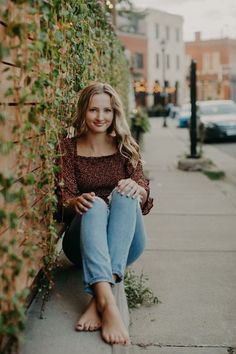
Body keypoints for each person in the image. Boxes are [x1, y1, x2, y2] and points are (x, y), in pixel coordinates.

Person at [55, 82, 153, 346]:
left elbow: (144, 193)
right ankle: (108, 304)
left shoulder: (126, 147)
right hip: (81, 245)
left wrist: (137, 189)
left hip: (127, 244)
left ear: (115, 113)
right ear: (83, 112)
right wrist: (76, 201)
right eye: (93, 110)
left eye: (107, 110)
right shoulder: (67, 149)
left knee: (125, 192)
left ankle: (100, 298)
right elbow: (64, 201)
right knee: (96, 204)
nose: (100, 117)